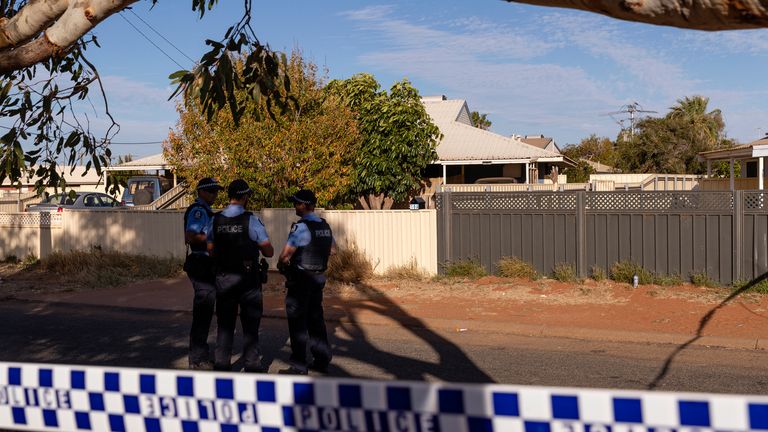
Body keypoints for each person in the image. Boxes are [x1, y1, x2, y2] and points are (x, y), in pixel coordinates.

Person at [210, 179, 273, 372]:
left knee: (225, 324)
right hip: (248, 279)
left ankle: (221, 363)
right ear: (245, 197)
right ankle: (252, 364)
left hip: (224, 278)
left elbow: (210, 249)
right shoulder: (251, 220)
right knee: (251, 324)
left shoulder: (216, 219)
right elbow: (268, 251)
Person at [278, 189, 336, 375]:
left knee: (297, 322)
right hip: (318, 277)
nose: (294, 206)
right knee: (316, 318)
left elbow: (286, 255)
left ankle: (298, 366)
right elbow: (333, 250)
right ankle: (321, 359)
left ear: (304, 205)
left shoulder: (301, 227)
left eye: (296, 203)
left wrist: (282, 266)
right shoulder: (324, 226)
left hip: (301, 279)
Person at [183, 177, 224, 370]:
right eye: (212, 191)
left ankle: (200, 356)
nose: (215, 195)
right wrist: (214, 238)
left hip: (207, 264)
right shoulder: (199, 211)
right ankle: (198, 359)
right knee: (202, 312)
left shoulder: (207, 211)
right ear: (202, 192)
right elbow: (190, 236)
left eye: (216, 191)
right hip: (201, 264)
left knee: (206, 312)